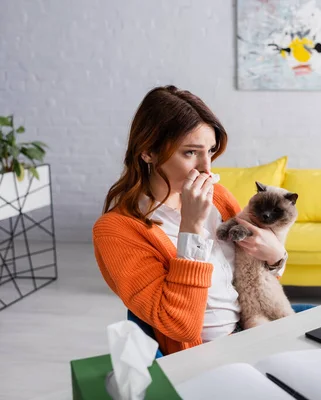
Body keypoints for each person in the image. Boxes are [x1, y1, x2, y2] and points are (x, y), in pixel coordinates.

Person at [93, 85, 300, 356]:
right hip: (204, 354)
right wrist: (190, 227)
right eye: (190, 152)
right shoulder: (116, 231)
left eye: (210, 151)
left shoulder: (220, 198)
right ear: (148, 152)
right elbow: (179, 325)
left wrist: (276, 257)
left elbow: (253, 273)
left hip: (255, 329)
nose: (207, 168)